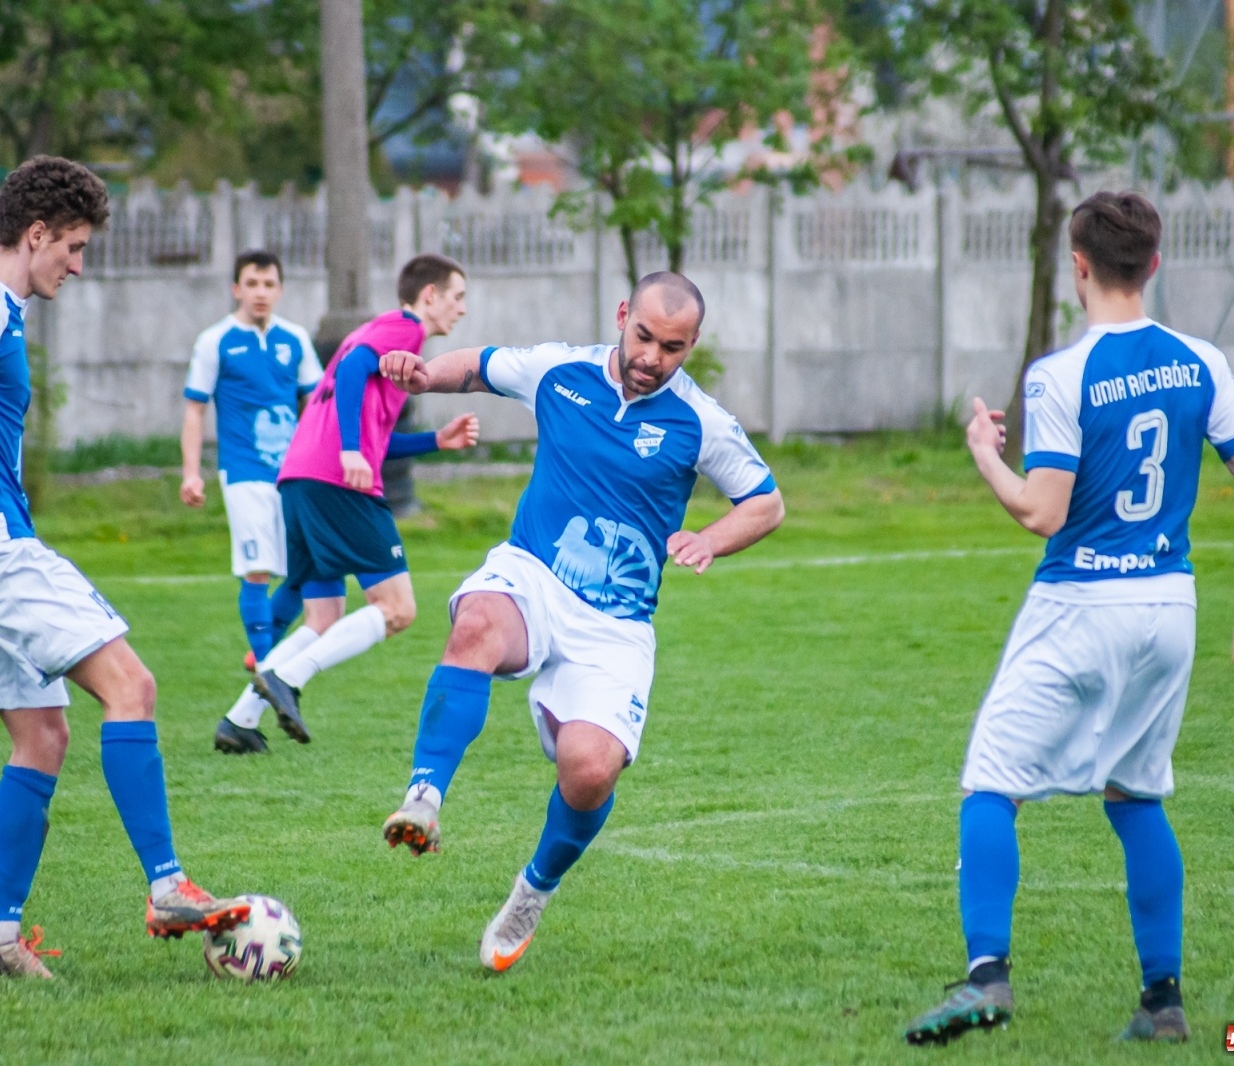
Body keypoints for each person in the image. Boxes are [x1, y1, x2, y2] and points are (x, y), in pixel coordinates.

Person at [904, 192, 1234, 1045]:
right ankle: (1163, 1003)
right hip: (1169, 606)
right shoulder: (1201, 361)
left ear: (1077, 264)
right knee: (1137, 793)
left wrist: (984, 459)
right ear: (1152, 264)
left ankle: (985, 980)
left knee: (991, 783)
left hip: (1080, 602)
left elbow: (1042, 511)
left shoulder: (1061, 374)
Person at [0, 156, 251, 980]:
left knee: (43, 736)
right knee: (132, 687)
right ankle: (165, 886)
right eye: (71, 247)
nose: (76, 265)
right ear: (34, 234)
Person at [376, 271, 785, 972]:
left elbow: (766, 502)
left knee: (590, 770)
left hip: (617, 624)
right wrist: (423, 376)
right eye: (645, 336)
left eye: (674, 347)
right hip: (533, 573)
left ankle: (533, 890)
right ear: (623, 316)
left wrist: (709, 539)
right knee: (476, 625)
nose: (653, 356)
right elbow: (476, 367)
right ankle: (423, 796)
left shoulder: (700, 421)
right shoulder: (560, 370)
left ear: (691, 347)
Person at [218, 253, 480, 753]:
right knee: (398, 608)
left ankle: (239, 721)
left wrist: (434, 441)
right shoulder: (405, 330)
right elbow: (357, 368)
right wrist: (350, 450)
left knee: (323, 616)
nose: (461, 309)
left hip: (300, 477)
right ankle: (288, 680)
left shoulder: (381, 331)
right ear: (429, 296)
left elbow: (374, 432)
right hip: (335, 479)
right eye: (457, 297)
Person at [180, 250, 323, 700]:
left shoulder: (295, 339)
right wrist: (191, 473)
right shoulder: (215, 341)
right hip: (243, 472)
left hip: (294, 475)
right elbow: (195, 409)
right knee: (258, 569)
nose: (261, 292)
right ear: (236, 288)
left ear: (280, 289)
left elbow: (317, 407)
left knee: (310, 569)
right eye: (252, 284)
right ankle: (267, 670)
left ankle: (266, 655)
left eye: (269, 284)